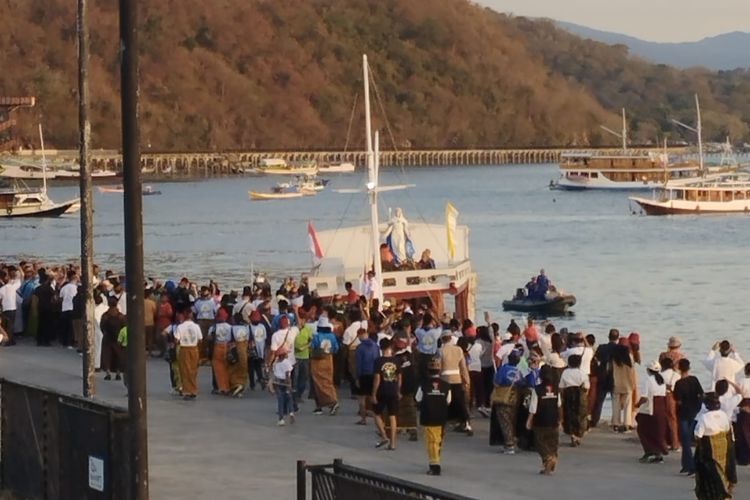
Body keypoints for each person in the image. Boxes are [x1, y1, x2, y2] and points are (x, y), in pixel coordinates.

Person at [694, 393, 737, 500]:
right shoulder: (724, 415)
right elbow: (728, 429)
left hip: (709, 448)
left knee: (710, 474)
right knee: (723, 467)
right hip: (724, 445)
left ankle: (717, 494)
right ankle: (726, 490)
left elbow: (698, 434)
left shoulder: (704, 417)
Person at [415, 357, 451, 475]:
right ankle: (436, 460)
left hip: (427, 417)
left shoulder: (423, 385)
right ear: (439, 371)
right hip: (441, 417)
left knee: (431, 442)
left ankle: (435, 465)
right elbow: (448, 400)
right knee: (438, 440)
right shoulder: (446, 385)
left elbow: (417, 399)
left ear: (428, 371)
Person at [526, 365, 561, 475]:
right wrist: (561, 420)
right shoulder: (556, 389)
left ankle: (548, 459)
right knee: (552, 442)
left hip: (541, 420)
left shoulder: (537, 389)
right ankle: (552, 460)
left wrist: (529, 421)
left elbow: (533, 408)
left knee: (540, 442)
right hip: (554, 419)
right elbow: (559, 405)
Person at [673, 358, 704, 475]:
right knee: (693, 439)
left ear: (679, 369)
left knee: (685, 440)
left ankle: (689, 465)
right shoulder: (694, 380)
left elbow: (678, 400)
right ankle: (688, 464)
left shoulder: (679, 384)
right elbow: (701, 394)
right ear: (689, 368)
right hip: (695, 412)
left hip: (683, 413)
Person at [491, 351, 524, 454]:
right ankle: (512, 440)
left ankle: (509, 444)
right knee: (512, 420)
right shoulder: (519, 371)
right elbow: (522, 383)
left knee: (504, 421)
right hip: (515, 398)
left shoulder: (503, 369)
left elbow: (496, 381)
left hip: (503, 397)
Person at [634, 360, 668, 463]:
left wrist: (637, 405)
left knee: (643, 430)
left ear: (649, 370)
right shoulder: (662, 380)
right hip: (661, 408)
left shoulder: (648, 380)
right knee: (656, 431)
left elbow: (644, 397)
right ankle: (658, 453)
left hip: (650, 409)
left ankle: (650, 451)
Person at [440, 330, 472, 436]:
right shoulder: (458, 350)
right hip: (457, 379)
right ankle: (466, 423)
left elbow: (438, 367)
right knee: (460, 402)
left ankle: (443, 424)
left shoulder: (440, 350)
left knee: (444, 403)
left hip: (444, 379)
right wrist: (467, 380)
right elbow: (463, 367)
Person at [372, 338, 401, 450]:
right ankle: (393, 443)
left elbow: (377, 378)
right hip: (393, 390)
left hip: (382, 390)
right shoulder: (396, 361)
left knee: (376, 413)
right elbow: (399, 377)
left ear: (381, 348)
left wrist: (374, 393)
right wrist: (398, 391)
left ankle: (384, 436)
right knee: (392, 416)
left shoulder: (378, 361)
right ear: (390, 347)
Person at [310, 316, 340, 416]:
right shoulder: (332, 336)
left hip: (318, 361)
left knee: (318, 383)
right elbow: (336, 349)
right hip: (329, 360)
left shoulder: (316, 336)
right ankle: (322, 405)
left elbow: (313, 347)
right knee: (328, 381)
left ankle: (332, 401)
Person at [591, 328, 620, 427]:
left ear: (608, 337)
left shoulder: (601, 347)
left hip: (602, 375)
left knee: (599, 401)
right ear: (618, 338)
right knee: (615, 401)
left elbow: (595, 359)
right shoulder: (620, 349)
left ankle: (595, 420)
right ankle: (615, 421)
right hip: (615, 377)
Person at [559, 354, 590, 447]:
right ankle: (578, 435)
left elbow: (561, 386)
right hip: (580, 394)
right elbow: (587, 386)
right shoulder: (582, 373)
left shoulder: (565, 372)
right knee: (581, 415)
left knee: (569, 414)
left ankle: (572, 434)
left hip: (568, 393)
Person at [174, 307, 203, 400]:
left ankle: (187, 391)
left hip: (184, 349)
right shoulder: (196, 326)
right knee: (193, 370)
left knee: (185, 370)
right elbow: (200, 339)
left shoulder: (180, 327)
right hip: (194, 349)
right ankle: (193, 389)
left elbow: (176, 340)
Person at [354, 328, 379, 425]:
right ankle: (377, 417)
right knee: (373, 396)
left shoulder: (360, 348)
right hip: (374, 373)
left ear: (360, 335)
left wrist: (357, 377)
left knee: (362, 398)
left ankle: (363, 419)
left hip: (364, 374)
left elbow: (358, 364)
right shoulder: (375, 346)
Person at [611, 342, 637, 433]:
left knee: (616, 404)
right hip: (627, 384)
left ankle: (616, 424)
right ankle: (627, 423)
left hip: (616, 383)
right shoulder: (629, 358)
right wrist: (633, 384)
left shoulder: (614, 359)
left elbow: (609, 370)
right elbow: (632, 371)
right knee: (627, 404)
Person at [100, 296, 126, 381]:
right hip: (118, 338)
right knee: (118, 355)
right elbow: (124, 327)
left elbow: (102, 326)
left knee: (107, 355)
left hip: (107, 338)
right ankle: (118, 373)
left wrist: (105, 332)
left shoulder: (105, 315)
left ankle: (108, 373)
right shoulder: (120, 316)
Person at [208, 309, 232, 395]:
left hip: (217, 347)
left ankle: (220, 387)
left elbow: (209, 338)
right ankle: (228, 387)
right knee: (227, 368)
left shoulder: (213, 327)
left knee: (218, 369)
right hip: (227, 347)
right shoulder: (229, 327)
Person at [660, 357, 681, 451]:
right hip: (671, 397)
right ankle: (675, 443)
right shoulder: (675, 375)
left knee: (662, 420)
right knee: (673, 420)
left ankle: (663, 443)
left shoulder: (659, 375)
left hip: (661, 397)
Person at [270, 350, 295, 426]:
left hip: (278, 382)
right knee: (289, 398)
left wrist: (271, 386)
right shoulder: (286, 362)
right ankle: (291, 412)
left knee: (280, 401)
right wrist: (289, 385)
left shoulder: (276, 363)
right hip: (285, 382)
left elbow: (274, 374)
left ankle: (281, 419)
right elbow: (287, 374)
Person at [293, 313, 313, 404]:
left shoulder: (308, 329)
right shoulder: (293, 330)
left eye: (302, 320)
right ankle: (294, 395)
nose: (301, 322)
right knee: (295, 377)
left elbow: (311, 340)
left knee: (304, 377)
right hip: (295, 357)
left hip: (305, 356)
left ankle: (299, 394)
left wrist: (305, 347)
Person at [248, 310, 267, 391]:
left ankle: (252, 384)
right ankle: (261, 379)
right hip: (260, 351)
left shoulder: (249, 327)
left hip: (252, 351)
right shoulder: (262, 326)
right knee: (258, 367)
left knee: (251, 368)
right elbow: (265, 338)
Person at [735, 363, 750, 466]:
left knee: (742, 434)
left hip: (744, 406)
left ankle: (744, 458)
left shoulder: (740, 382)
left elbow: (736, 397)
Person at [143, 287, 158, 354]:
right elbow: (155, 312)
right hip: (150, 322)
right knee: (150, 338)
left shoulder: (139, 302)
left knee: (143, 338)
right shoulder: (152, 303)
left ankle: (142, 350)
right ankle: (150, 352)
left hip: (142, 323)